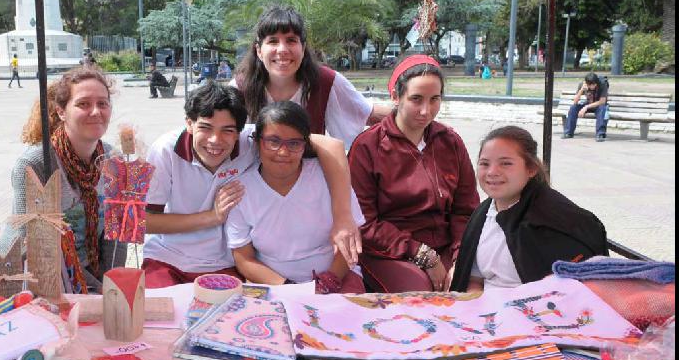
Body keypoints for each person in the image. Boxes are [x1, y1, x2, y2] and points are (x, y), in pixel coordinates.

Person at [142, 82, 361, 288]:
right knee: (157, 319)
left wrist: (342, 216)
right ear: (189, 123)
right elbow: (144, 222)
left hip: (221, 262)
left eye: (227, 130)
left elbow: (328, 144)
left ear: (241, 132)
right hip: (167, 257)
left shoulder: (255, 141)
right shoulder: (165, 151)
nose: (215, 140)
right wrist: (211, 217)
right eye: (206, 128)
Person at [348, 55, 480, 292]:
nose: (425, 111)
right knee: (422, 293)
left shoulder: (450, 142)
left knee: (470, 285)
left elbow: (466, 209)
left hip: (446, 246)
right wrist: (422, 254)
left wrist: (460, 257)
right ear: (396, 97)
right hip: (389, 252)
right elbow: (364, 222)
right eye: (416, 99)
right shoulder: (368, 146)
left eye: (434, 99)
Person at [0, 66, 125, 294]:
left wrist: (111, 284)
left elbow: (115, 234)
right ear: (61, 111)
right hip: (32, 280)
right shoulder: (35, 164)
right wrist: (89, 288)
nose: (96, 111)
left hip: (88, 276)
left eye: (103, 103)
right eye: (83, 104)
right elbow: (33, 244)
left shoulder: (114, 160)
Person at [226, 101, 366, 293]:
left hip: (337, 277)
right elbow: (244, 259)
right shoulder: (240, 190)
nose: (283, 152)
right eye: (273, 142)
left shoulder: (329, 177)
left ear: (305, 144)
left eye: (294, 144)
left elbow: (350, 239)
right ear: (258, 142)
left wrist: (328, 281)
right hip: (273, 285)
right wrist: (290, 289)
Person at [450, 126, 609, 292]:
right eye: (484, 163)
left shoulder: (555, 219)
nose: (492, 172)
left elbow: (570, 295)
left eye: (506, 163)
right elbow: (474, 279)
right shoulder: (482, 214)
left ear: (531, 169)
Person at [232, 6, 391, 148]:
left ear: (303, 48)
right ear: (259, 51)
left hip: (310, 176)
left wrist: (410, 112)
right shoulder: (240, 88)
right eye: (273, 41)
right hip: (254, 178)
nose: (282, 49)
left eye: (291, 40)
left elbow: (366, 114)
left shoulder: (325, 81)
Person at [562, 72, 609, 142]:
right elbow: (575, 102)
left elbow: (602, 102)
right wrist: (581, 90)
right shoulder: (582, 85)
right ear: (586, 84)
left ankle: (600, 134)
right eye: (591, 85)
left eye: (594, 84)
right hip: (588, 104)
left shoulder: (602, 84)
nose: (593, 86)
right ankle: (568, 132)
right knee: (573, 108)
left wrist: (586, 107)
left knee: (602, 109)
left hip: (598, 105)